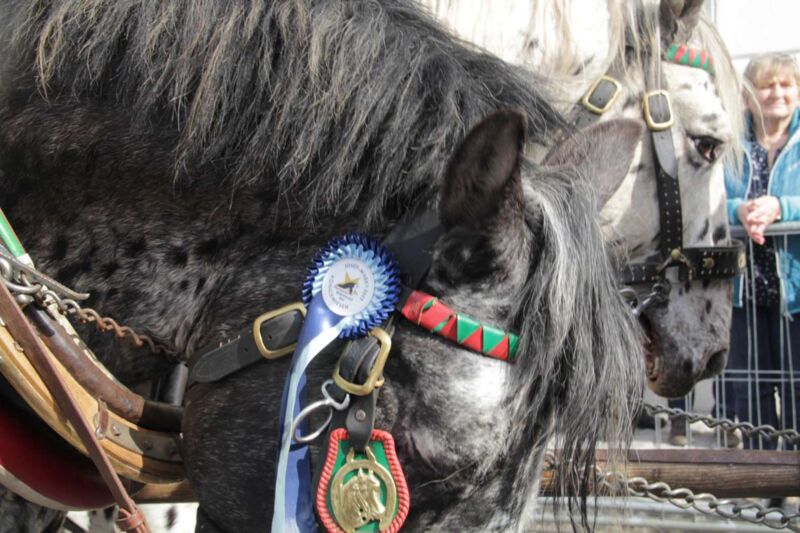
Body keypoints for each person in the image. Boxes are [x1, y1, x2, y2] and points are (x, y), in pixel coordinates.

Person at [724, 53, 800, 449]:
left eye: (786, 85)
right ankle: (761, 473)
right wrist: (737, 210)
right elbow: (705, 199)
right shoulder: (729, 145)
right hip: (745, 292)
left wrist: (781, 208)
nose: (777, 93)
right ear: (748, 95)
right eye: (767, 85)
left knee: (797, 387)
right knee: (750, 391)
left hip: (795, 294)